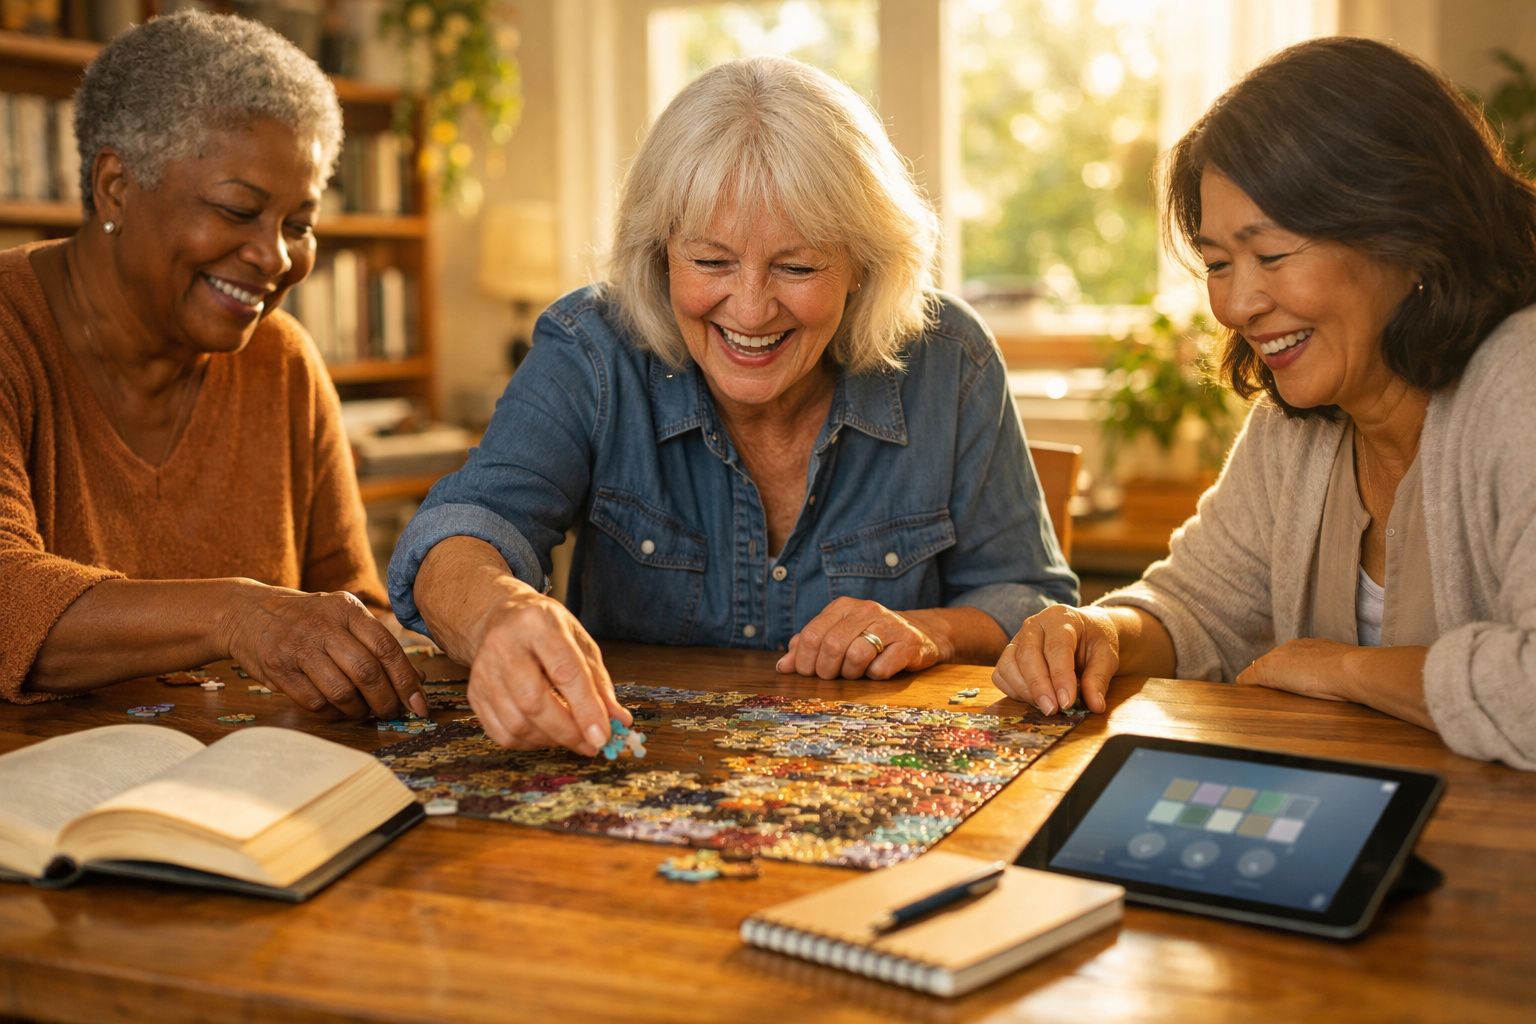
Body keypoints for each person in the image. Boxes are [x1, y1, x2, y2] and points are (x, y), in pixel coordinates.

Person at [390, 56, 1078, 753]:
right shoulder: (592, 347)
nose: (750, 308)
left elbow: (1031, 602)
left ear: (865, 266)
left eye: (798, 266)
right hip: (632, 780)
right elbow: (463, 530)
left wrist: (934, 630)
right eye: (711, 262)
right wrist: (497, 615)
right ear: (659, 256)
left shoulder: (950, 361)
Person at [992, 36, 1536, 769]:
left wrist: (1338, 668)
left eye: (1272, 255)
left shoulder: (1520, 378)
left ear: (1408, 232)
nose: (1238, 303)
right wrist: (1103, 631)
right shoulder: (1294, 427)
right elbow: (1198, 610)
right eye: (1218, 264)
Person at [0, 11, 425, 719]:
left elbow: (355, 618)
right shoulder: (12, 334)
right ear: (115, 186)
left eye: (299, 224)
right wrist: (236, 615)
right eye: (238, 211)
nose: (277, 257)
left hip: (247, 805)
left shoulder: (283, 364)